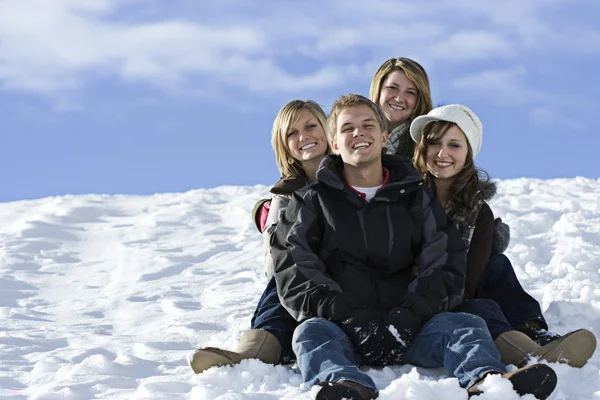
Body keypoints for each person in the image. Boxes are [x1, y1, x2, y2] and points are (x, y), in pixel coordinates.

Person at [272, 94, 557, 400]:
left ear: (384, 136)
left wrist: (410, 315)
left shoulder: (417, 198)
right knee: (310, 333)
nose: (359, 133)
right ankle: (345, 386)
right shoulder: (310, 202)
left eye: (368, 124)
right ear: (335, 143)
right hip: (345, 328)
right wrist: (347, 315)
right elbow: (294, 269)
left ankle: (488, 382)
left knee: (466, 323)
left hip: (411, 328)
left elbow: (445, 263)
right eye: (348, 128)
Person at [410, 104, 597, 369]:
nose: (443, 153)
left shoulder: (479, 213)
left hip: (456, 291)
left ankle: (532, 331)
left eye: (454, 145)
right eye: (434, 143)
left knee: (497, 265)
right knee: (480, 309)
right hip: (416, 299)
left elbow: (468, 284)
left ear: (468, 154)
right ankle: (530, 356)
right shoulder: (405, 200)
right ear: (422, 148)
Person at [188, 100, 331, 373]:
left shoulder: (352, 173)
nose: (304, 136)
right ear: (283, 144)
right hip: (305, 284)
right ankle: (256, 351)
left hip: (348, 276)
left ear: (326, 129)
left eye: (311, 126)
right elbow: (273, 260)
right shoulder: (284, 195)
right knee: (282, 280)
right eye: (292, 133)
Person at [369, 57, 432, 157]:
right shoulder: (354, 133)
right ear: (378, 89)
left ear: (420, 99)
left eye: (410, 92)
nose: (399, 99)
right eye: (392, 88)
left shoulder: (427, 145)